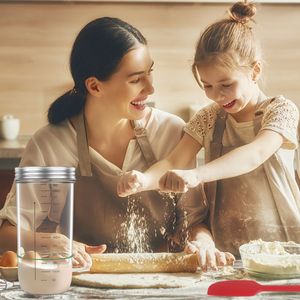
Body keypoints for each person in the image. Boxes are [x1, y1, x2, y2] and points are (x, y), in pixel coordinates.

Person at [0, 17, 234, 270]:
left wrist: (203, 242)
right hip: (83, 282)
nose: (150, 88)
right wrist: (46, 242)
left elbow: (194, 222)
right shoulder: (50, 144)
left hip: (162, 280)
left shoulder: (171, 131)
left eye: (149, 73)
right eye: (136, 80)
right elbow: (7, 234)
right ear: (95, 86)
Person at [118, 1, 300, 257]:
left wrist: (198, 175)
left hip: (285, 248)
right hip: (227, 251)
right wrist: (144, 180)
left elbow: (255, 154)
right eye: (208, 85)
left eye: (226, 84)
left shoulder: (281, 110)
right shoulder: (209, 118)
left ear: (255, 71)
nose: (217, 96)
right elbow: (175, 159)